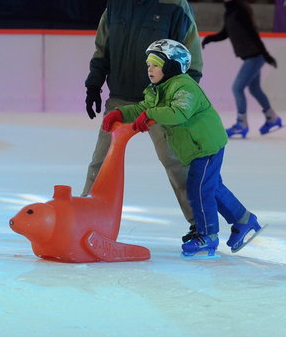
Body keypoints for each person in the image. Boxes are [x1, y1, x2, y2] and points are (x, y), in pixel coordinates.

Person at [84, 0, 203, 242]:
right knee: (101, 160)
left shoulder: (174, 2)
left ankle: (199, 224)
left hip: (161, 102)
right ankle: (85, 217)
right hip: (122, 97)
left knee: (175, 162)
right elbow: (103, 45)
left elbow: (191, 54)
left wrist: (184, 96)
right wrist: (94, 83)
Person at [102, 39, 262, 256]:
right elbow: (144, 107)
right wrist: (121, 113)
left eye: (156, 65)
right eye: (149, 65)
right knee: (212, 187)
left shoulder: (184, 86)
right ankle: (245, 220)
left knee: (198, 188)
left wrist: (150, 115)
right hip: (194, 148)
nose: (150, 69)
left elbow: (179, 113)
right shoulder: (156, 89)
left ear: (171, 67)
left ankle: (207, 236)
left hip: (205, 145)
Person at [201, 0, 282, 138]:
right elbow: (225, 33)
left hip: (255, 56)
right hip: (250, 56)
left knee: (237, 88)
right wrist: (210, 38)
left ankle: (241, 123)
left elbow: (253, 34)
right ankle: (272, 118)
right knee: (254, 88)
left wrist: (266, 55)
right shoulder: (231, 11)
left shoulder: (240, 10)